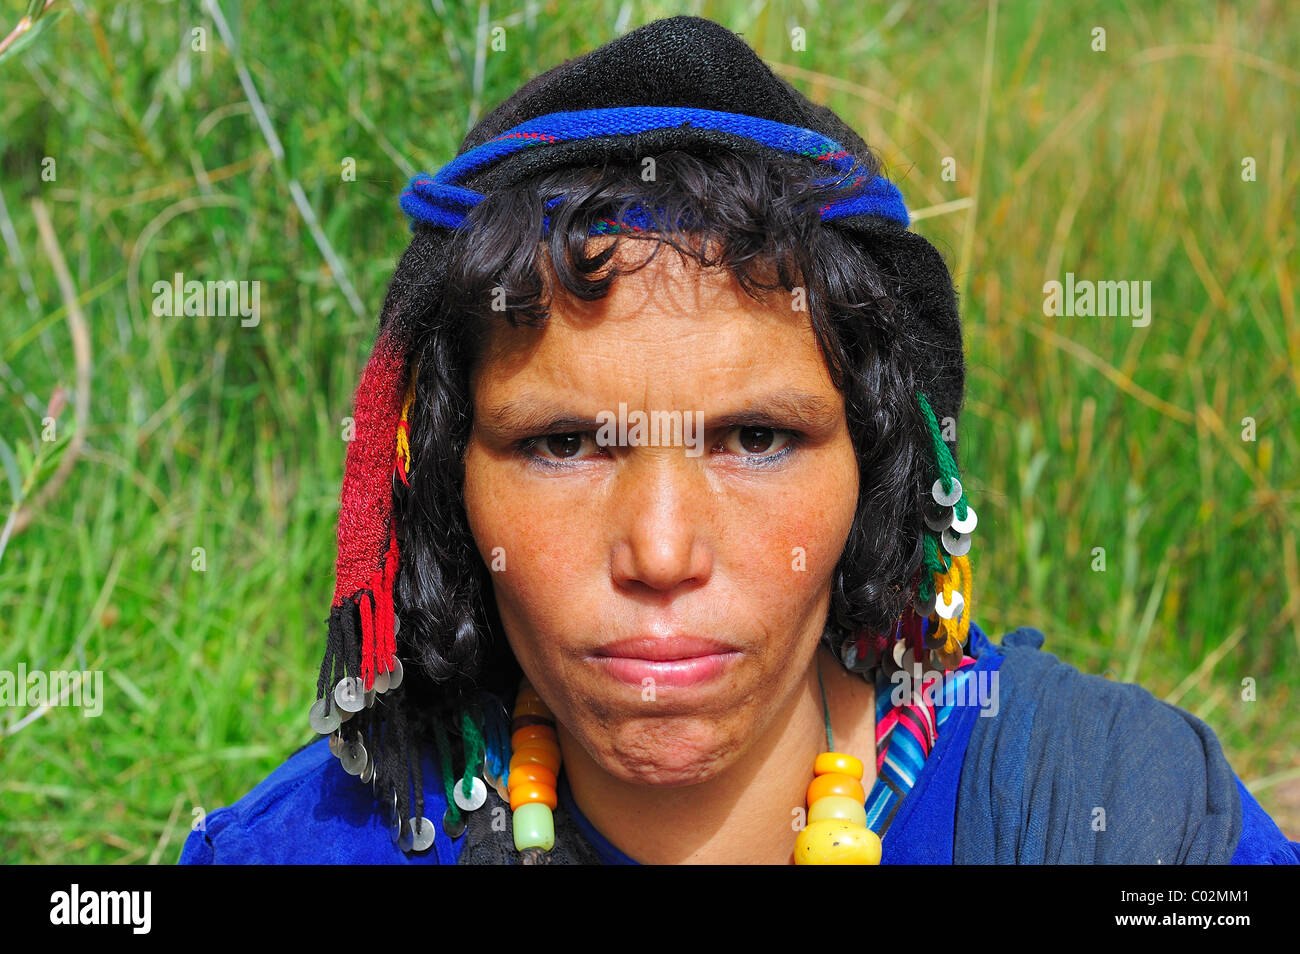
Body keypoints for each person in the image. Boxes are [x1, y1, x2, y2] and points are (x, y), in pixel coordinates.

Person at [179, 15, 1298, 865]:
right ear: (445, 485)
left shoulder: (1117, 814)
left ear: (876, 471)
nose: (661, 553)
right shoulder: (313, 845)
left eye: (757, 437)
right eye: (564, 444)